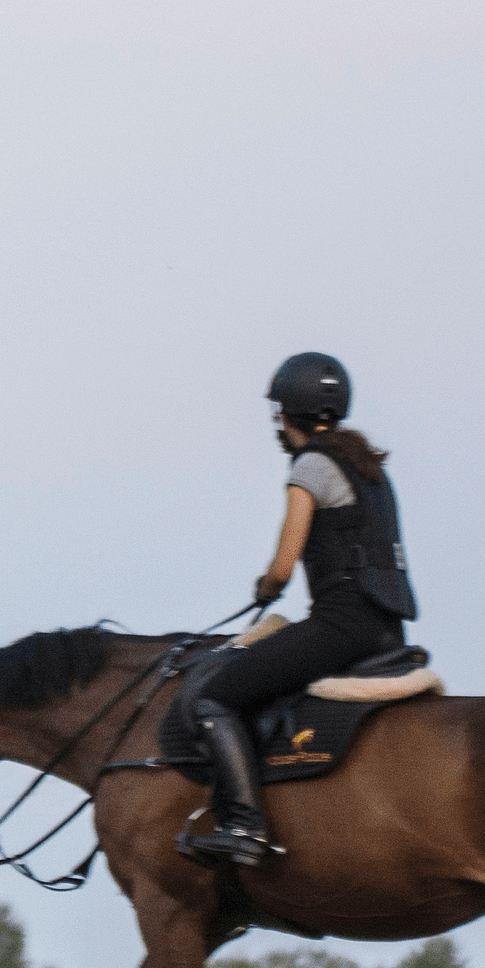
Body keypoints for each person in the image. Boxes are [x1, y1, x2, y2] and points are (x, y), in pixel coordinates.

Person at [175, 352, 418, 866]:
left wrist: (265, 587)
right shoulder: (371, 469)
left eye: (277, 416)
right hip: (387, 627)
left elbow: (284, 566)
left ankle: (246, 826)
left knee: (214, 699)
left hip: (341, 627)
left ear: (287, 414)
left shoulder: (310, 466)